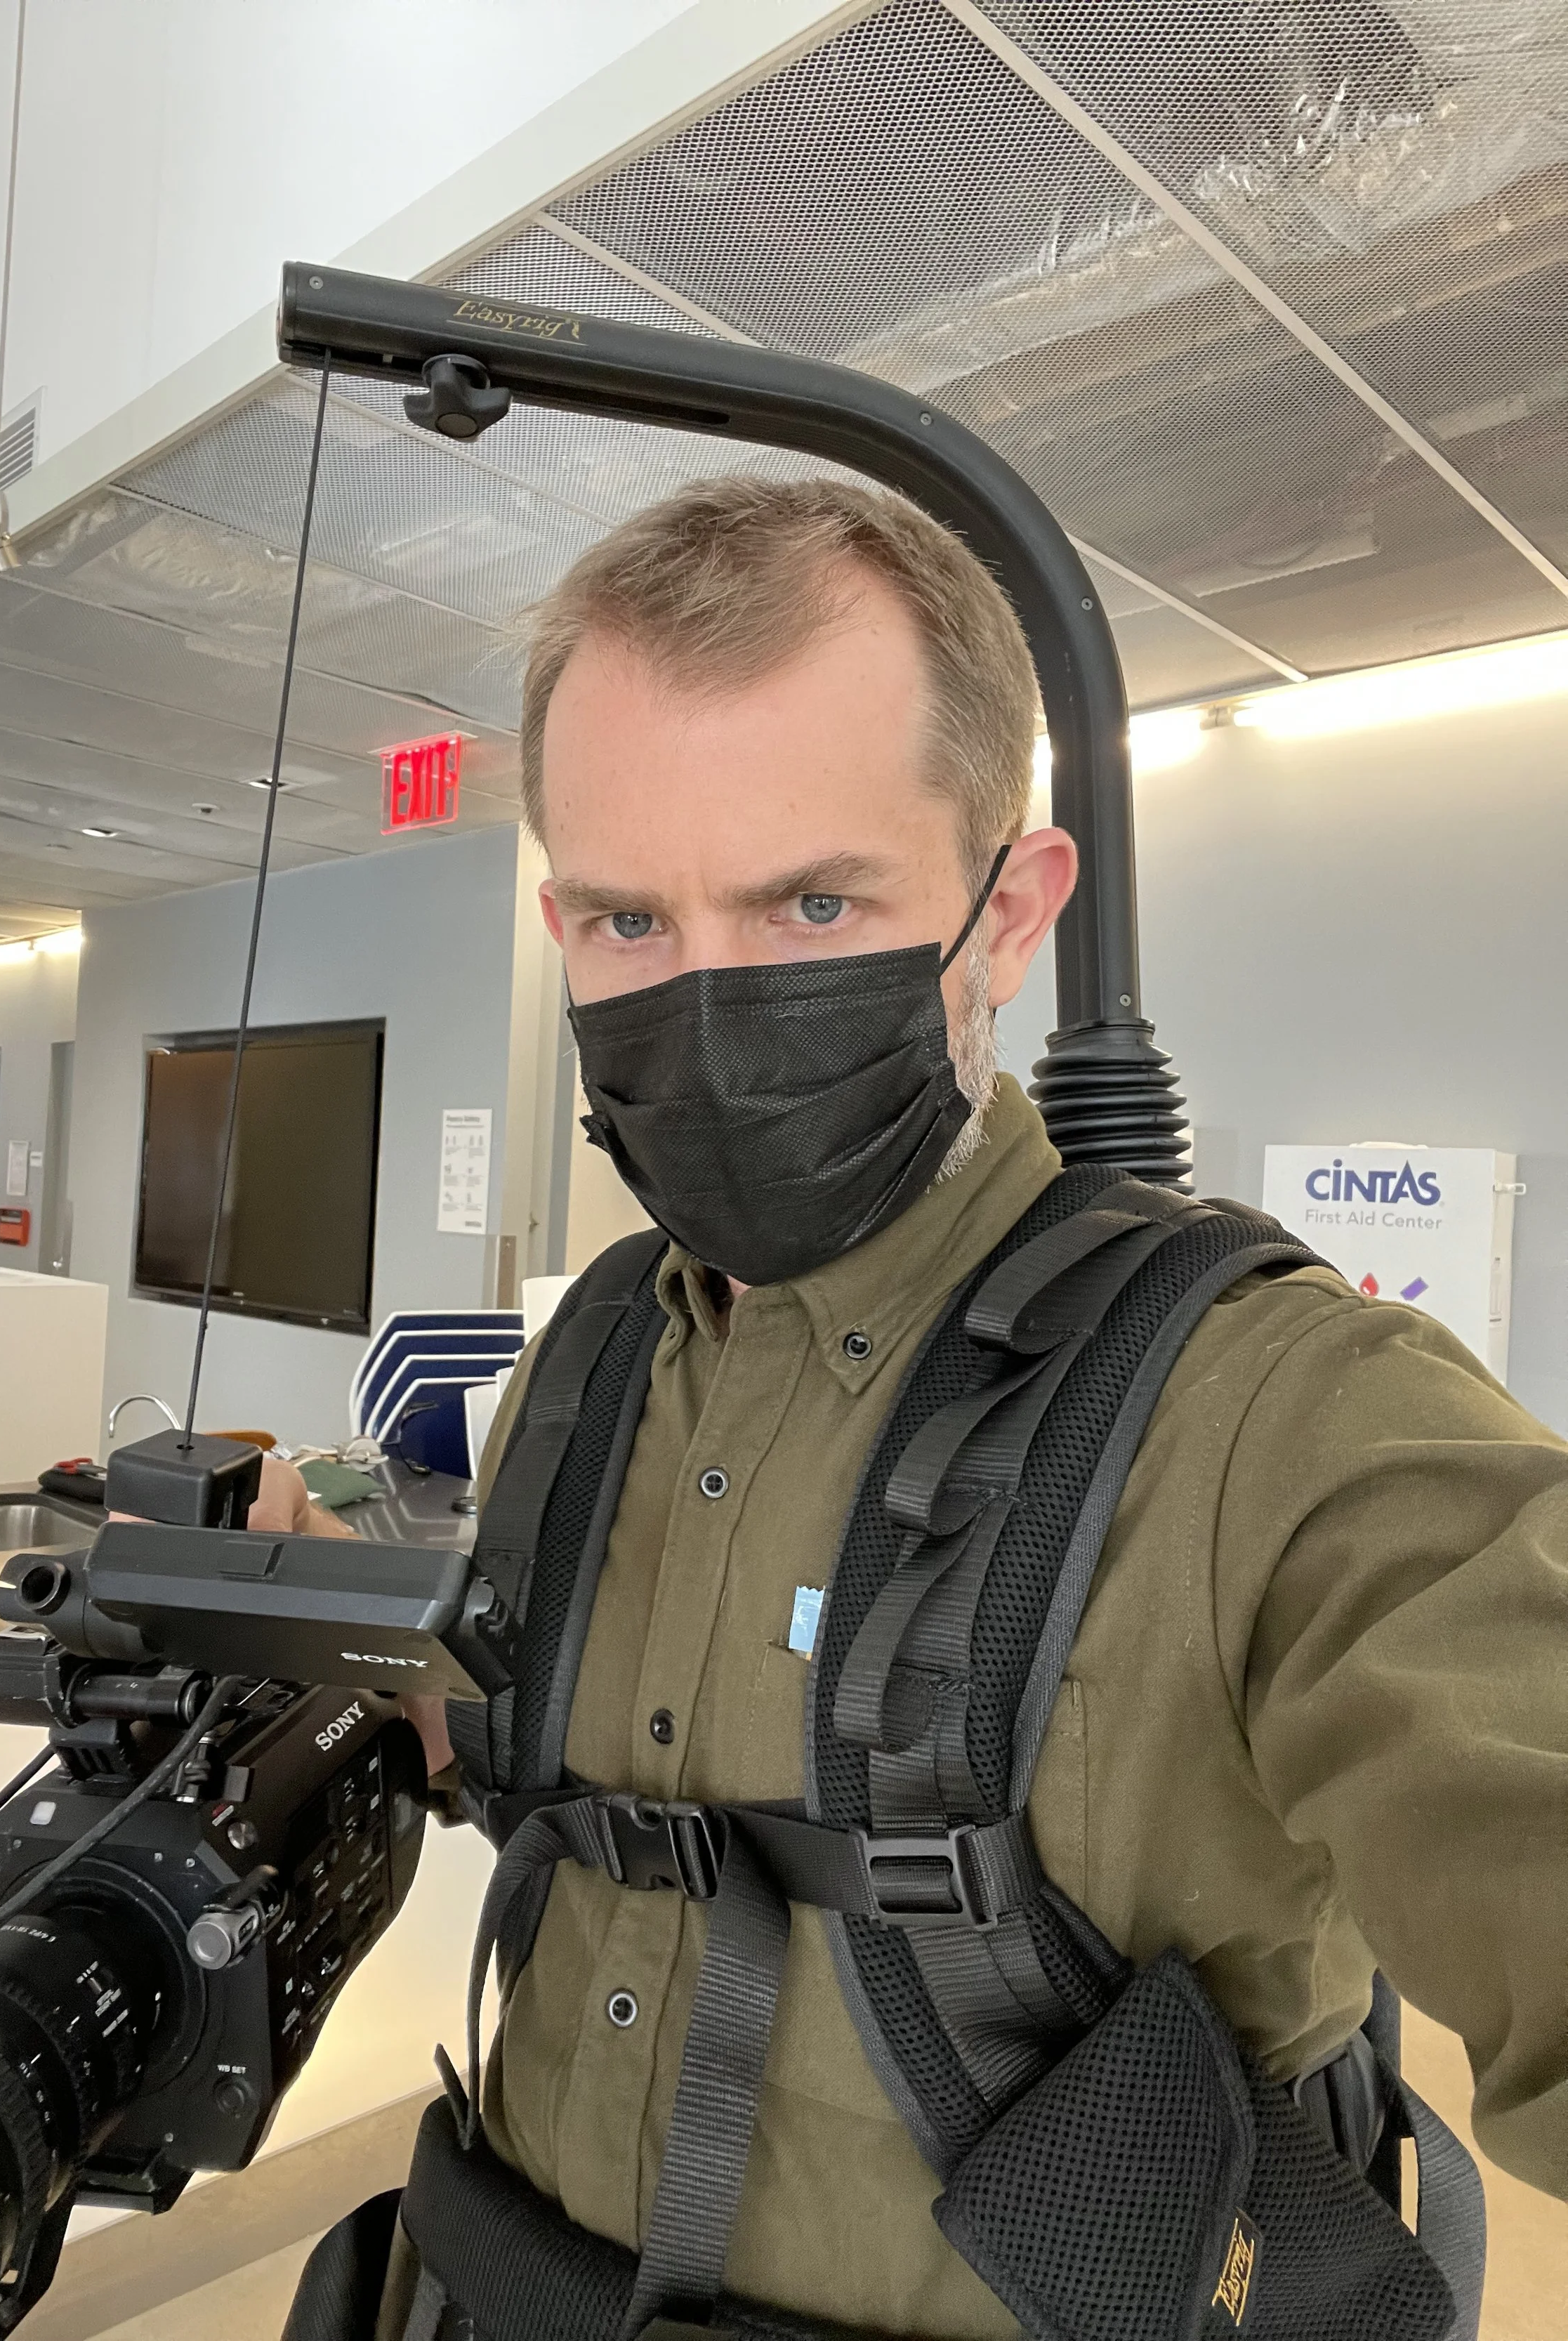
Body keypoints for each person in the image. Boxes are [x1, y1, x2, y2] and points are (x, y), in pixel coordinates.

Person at [352, 478, 1565, 2340]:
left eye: (811, 902)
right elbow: (564, 1746)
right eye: (621, 919)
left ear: (1009, 915)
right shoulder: (590, 1357)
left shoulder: (1281, 1413)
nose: (704, 1006)